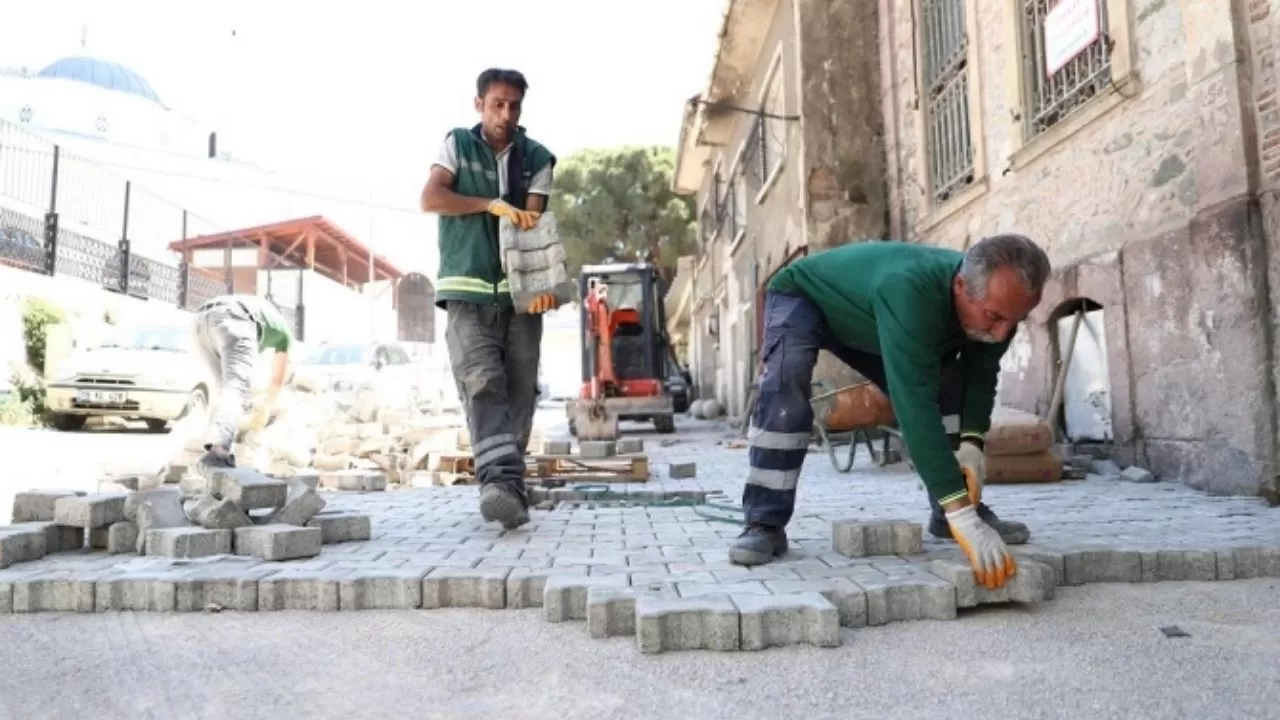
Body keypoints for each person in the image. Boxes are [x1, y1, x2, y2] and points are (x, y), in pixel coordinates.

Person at [731, 235, 1052, 590]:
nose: (1004, 330)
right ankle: (764, 523)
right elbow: (913, 404)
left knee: (948, 380)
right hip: (806, 297)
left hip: (868, 317)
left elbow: (980, 377)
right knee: (786, 381)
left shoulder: (998, 304)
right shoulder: (912, 293)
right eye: (994, 317)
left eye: (1015, 320)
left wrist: (972, 443)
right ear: (961, 286)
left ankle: (946, 514)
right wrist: (967, 518)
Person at [420, 68, 559, 530]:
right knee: (482, 384)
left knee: (520, 393)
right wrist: (487, 203)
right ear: (479, 103)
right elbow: (432, 198)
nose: (506, 113)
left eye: (514, 105)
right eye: (497, 103)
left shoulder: (536, 157)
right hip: (466, 290)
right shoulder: (457, 145)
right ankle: (498, 484)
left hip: (520, 299)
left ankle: (509, 489)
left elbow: (534, 226)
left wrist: (542, 289)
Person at [192, 294, 294, 474]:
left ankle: (205, 447)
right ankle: (218, 449)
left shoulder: (262, 312)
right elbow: (277, 380)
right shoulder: (284, 333)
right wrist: (265, 407)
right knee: (236, 388)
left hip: (200, 321)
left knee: (224, 390)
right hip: (235, 318)